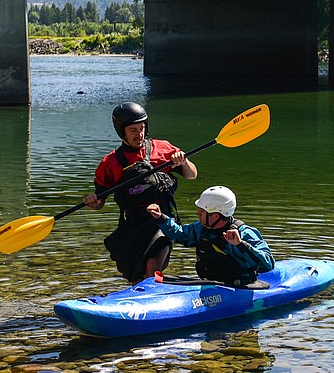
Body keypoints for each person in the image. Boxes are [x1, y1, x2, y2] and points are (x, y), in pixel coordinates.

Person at [84, 101, 197, 282]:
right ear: (122, 132)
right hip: (134, 224)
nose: (140, 134)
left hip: (162, 220)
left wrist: (183, 161)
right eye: (133, 130)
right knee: (136, 277)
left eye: (142, 128)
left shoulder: (163, 149)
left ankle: (155, 292)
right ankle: (141, 303)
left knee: (151, 268)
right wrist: (94, 202)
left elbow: (192, 175)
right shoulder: (110, 163)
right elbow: (100, 202)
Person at [145, 186, 275, 288]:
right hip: (214, 284)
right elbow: (179, 234)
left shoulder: (245, 233)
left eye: (202, 211)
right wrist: (161, 218)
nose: (197, 213)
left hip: (241, 286)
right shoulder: (202, 229)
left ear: (216, 216)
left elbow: (267, 264)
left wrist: (240, 244)